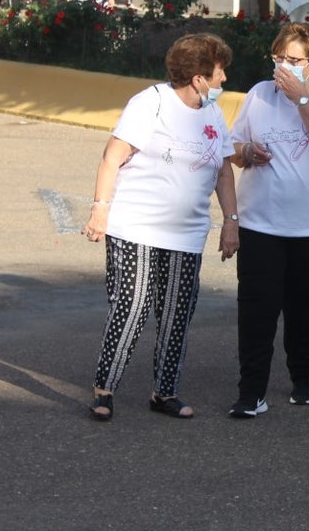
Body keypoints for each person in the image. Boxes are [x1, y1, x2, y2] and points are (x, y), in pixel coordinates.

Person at [83, 33, 240, 421]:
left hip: (187, 233)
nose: (224, 80)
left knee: (176, 313)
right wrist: (100, 209)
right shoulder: (150, 103)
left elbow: (223, 171)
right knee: (131, 306)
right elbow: (112, 157)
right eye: (219, 72)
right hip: (136, 227)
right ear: (199, 78)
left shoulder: (212, 114)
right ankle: (104, 390)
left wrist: (231, 222)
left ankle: (164, 393)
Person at [226, 23, 309, 418]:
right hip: (260, 222)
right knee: (256, 306)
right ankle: (251, 393)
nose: (284, 66)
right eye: (279, 58)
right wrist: (247, 150)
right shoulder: (259, 94)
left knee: (302, 303)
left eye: (294, 59)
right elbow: (233, 148)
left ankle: (302, 379)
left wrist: (301, 99)